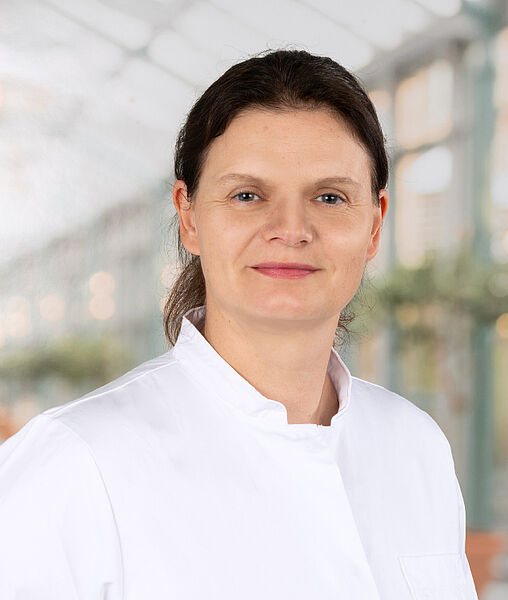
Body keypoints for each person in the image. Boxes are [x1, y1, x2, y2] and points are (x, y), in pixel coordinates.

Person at [0, 49, 478, 599]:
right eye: (247, 195)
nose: (291, 229)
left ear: (374, 225)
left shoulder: (415, 445)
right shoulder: (76, 463)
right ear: (189, 216)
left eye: (330, 197)